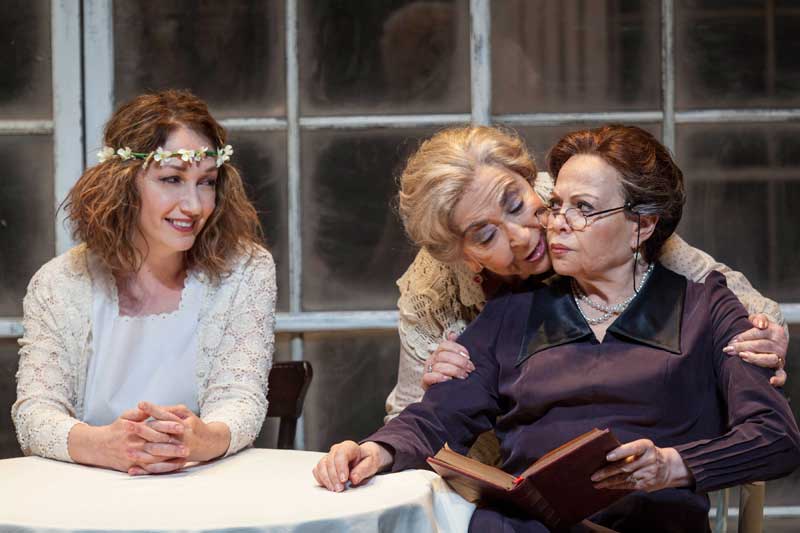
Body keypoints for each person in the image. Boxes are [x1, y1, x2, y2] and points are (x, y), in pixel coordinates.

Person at [312, 125, 800, 532]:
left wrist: (674, 465)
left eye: (582, 208)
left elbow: (775, 437)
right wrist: (375, 448)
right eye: (559, 204)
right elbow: (433, 419)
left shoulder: (705, 305)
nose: (554, 223)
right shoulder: (511, 312)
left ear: (642, 226)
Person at [384, 126, 788, 428]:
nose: (523, 236)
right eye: (487, 236)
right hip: (489, 467)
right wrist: (437, 388)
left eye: (516, 204)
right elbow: (410, 417)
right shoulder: (433, 286)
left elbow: (726, 294)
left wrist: (763, 334)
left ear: (529, 180)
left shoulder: (583, 208)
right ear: (464, 256)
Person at [13, 90, 276, 476]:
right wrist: (105, 446)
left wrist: (203, 439)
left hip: (205, 486)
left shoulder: (246, 270)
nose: (195, 205)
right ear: (123, 183)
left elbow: (240, 398)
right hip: (87, 491)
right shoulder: (59, 284)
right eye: (172, 179)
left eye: (207, 182)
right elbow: (35, 414)